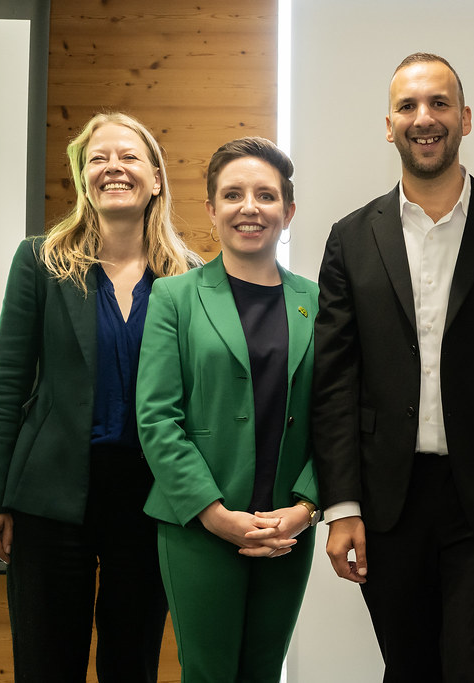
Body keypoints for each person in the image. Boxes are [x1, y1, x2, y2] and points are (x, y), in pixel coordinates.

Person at [312, 52, 474, 682]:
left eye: (439, 103)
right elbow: (335, 381)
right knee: (410, 670)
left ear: (466, 118)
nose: (424, 119)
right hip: (385, 503)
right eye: (408, 106)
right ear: (389, 124)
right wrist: (341, 503)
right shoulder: (349, 238)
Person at [0, 112, 199, 682]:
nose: (113, 168)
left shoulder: (190, 278)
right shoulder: (40, 262)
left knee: (133, 662)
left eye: (128, 157)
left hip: (152, 500)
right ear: (82, 177)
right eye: (98, 158)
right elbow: (7, 386)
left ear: (155, 176)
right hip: (50, 497)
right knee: (48, 663)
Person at [136, 137, 319, 682]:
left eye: (266, 195)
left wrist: (306, 507)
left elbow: (338, 419)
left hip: (286, 526)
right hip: (198, 527)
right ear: (212, 208)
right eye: (233, 194)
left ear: (288, 212)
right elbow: (157, 419)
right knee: (209, 674)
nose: (250, 207)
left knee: (263, 672)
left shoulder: (320, 301)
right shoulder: (174, 297)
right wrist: (215, 515)